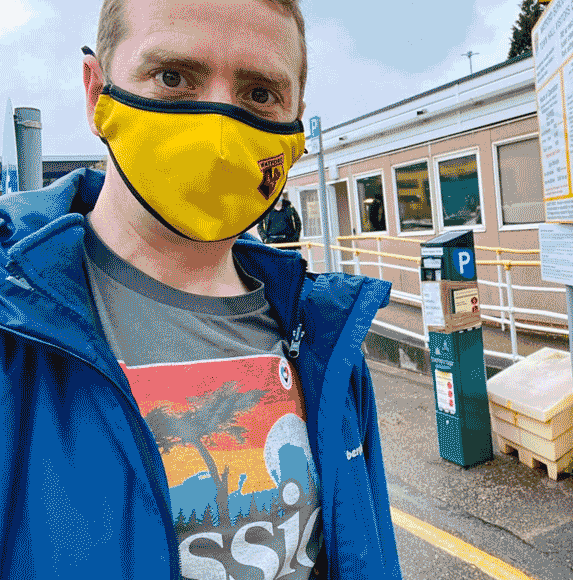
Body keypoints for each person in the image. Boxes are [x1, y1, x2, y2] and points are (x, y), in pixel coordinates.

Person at [0, 0, 402, 578]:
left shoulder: (325, 338)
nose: (217, 126)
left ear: (296, 120)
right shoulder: (17, 323)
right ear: (96, 94)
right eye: (172, 78)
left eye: (260, 93)